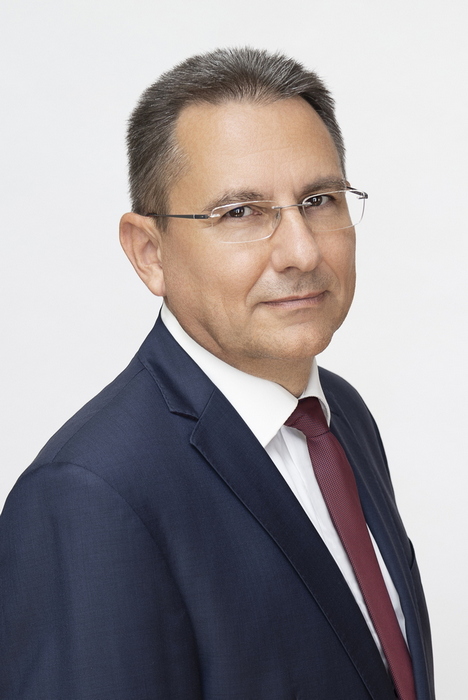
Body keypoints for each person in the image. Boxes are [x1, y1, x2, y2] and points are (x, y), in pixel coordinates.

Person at [0, 47, 435, 700]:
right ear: (149, 252)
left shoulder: (338, 416)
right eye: (241, 212)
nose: (301, 251)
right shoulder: (90, 496)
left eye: (319, 199)